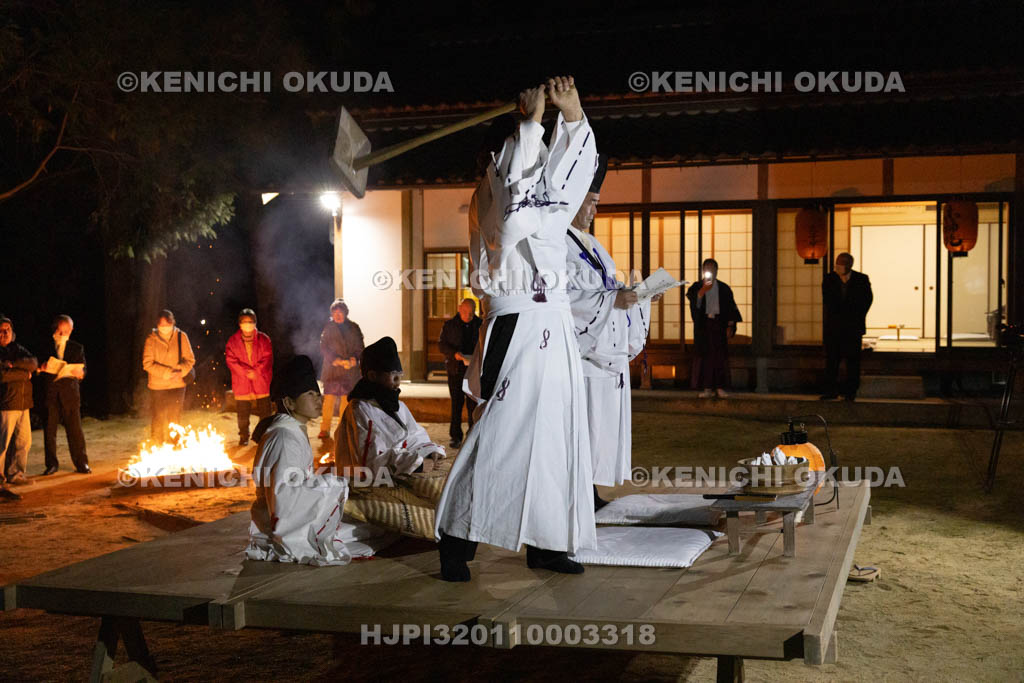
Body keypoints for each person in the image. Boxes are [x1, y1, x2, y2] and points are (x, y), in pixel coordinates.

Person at [434, 76, 599, 581]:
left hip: (552, 323)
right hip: (517, 320)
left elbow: (566, 185)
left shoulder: (540, 196)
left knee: (556, 436)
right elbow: (513, 221)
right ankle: (457, 540)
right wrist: (529, 125)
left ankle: (548, 543)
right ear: (496, 157)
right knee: (501, 433)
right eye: (528, 146)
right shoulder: (490, 196)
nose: (539, 153)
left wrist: (571, 118)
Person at [565, 155, 655, 509]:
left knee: (601, 434)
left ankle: (593, 489)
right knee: (584, 433)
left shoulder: (593, 245)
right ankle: (579, 493)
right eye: (591, 203)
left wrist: (641, 295)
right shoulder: (558, 245)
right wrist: (613, 300)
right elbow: (568, 299)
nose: (593, 212)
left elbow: (609, 289)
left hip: (609, 358)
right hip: (588, 358)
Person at [246, 355, 353, 566]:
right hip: (282, 530)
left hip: (290, 520)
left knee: (364, 531)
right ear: (289, 402)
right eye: (310, 394)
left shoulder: (292, 431)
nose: (319, 399)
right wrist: (333, 482)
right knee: (366, 534)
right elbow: (285, 500)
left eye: (318, 393)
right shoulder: (285, 438)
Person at [335, 336, 445, 478]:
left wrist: (428, 451)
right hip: (366, 480)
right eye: (394, 377)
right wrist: (415, 464)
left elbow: (413, 435)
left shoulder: (398, 406)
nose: (398, 383)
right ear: (373, 376)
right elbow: (369, 461)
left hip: (396, 471)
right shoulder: (360, 409)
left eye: (400, 377)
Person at [41, 314, 90, 475]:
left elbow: (83, 371)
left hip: (70, 395)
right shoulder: (45, 346)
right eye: (60, 331)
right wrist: (42, 367)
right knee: (49, 431)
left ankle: (81, 463)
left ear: (71, 330)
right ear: (55, 329)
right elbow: (37, 366)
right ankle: (51, 464)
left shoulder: (77, 347)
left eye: (67, 331)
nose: (63, 335)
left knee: (75, 431)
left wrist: (79, 373)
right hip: (51, 395)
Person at [686, 259, 742, 398]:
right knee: (705, 357)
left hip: (719, 325)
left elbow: (731, 308)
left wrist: (730, 325)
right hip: (704, 325)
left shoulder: (724, 288)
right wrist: (701, 292)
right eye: (707, 269)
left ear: (716, 271)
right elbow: (694, 304)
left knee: (720, 357)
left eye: (712, 269)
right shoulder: (697, 286)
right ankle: (706, 388)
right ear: (703, 271)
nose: (710, 271)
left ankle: (720, 387)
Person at [822, 252, 873, 401]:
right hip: (834, 326)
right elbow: (828, 300)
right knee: (832, 359)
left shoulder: (861, 279)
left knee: (853, 361)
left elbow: (867, 299)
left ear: (850, 265)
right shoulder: (829, 279)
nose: (838, 266)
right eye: (837, 263)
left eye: (842, 263)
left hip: (853, 326)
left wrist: (856, 315)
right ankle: (831, 390)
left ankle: (851, 392)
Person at [142, 309, 195, 442]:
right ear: (157, 325)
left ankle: (175, 445)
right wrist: (167, 373)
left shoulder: (181, 336)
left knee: (175, 418)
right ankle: (156, 446)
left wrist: (180, 372)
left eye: (168, 325)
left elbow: (190, 360)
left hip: (177, 385)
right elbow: (147, 364)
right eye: (162, 325)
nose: (165, 328)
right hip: (158, 386)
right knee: (158, 418)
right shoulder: (151, 340)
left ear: (173, 323)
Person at [0, 315, 38, 499]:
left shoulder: (17, 349)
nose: (4, 333)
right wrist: (24, 375)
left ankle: (15, 474)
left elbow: (33, 363)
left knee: (24, 441)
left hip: (23, 403)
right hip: (7, 404)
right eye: (1, 329)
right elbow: (2, 376)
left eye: (7, 329)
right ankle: (0, 481)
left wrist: (14, 365)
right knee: (2, 445)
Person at [225, 308, 273, 446]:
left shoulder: (264, 339)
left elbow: (267, 358)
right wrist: (246, 372)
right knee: (243, 414)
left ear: (255, 323)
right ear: (240, 324)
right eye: (245, 322)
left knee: (265, 412)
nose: (248, 324)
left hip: (261, 381)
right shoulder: (233, 341)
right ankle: (244, 436)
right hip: (242, 382)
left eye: (250, 322)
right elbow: (231, 360)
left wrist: (256, 372)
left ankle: (263, 435)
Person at [438, 298, 482, 447]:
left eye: (471, 313)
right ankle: (455, 436)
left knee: (472, 404)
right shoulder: (450, 325)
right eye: (465, 312)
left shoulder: (480, 324)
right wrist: (454, 354)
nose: (468, 315)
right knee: (456, 403)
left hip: (473, 369)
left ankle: (472, 433)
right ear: (459, 309)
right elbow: (442, 345)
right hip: (456, 369)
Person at [318, 299, 364, 440]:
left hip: (349, 372)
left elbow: (360, 346)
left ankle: (342, 429)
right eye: (335, 312)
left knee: (346, 402)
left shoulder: (354, 328)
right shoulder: (328, 328)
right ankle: (325, 429)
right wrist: (335, 360)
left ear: (345, 313)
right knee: (329, 401)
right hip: (332, 371)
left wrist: (354, 359)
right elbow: (323, 347)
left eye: (340, 312)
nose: (337, 315)